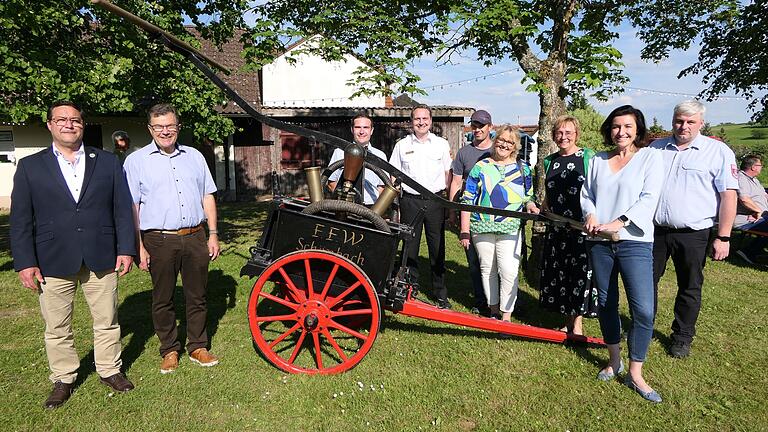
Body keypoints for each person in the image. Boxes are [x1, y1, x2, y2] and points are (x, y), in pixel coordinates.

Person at [10, 101, 136, 409]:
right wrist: (25, 261)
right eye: (61, 119)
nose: (69, 124)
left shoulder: (107, 162)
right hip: (52, 257)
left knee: (107, 319)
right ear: (50, 125)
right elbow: (21, 219)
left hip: (102, 253)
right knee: (57, 326)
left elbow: (122, 209)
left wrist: (126, 249)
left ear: (83, 124)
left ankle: (109, 369)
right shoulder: (31, 166)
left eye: (75, 120)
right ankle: (64, 378)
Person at [123, 103, 221, 374]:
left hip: (194, 236)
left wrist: (212, 234)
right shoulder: (136, 161)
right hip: (158, 239)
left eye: (170, 125)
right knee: (163, 298)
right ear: (150, 129)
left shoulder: (195, 157)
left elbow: (207, 196)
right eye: (159, 126)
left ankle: (198, 346)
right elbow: (132, 206)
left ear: (178, 127)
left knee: (197, 295)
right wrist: (138, 246)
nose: (165, 131)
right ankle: (169, 349)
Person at [581, 105, 664, 403]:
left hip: (635, 242)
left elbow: (649, 198)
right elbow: (587, 194)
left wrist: (620, 222)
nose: (621, 132)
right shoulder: (598, 160)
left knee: (643, 309)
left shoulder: (651, 158)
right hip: (599, 242)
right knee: (606, 302)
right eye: (616, 126)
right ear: (609, 129)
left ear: (637, 129)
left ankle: (636, 372)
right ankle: (614, 360)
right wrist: (590, 215)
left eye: (628, 126)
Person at [651, 100, 738, 359]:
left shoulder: (717, 152)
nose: (683, 126)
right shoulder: (656, 148)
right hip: (655, 231)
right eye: (679, 120)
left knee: (689, 286)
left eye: (690, 122)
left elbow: (729, 197)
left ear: (701, 123)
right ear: (673, 120)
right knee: (645, 283)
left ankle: (682, 336)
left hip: (694, 233)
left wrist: (723, 236)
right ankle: (642, 326)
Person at [459, 124, 539, 322]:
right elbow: (467, 199)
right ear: (496, 141)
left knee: (509, 270)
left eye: (510, 142)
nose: (504, 145)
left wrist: (531, 206)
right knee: (487, 268)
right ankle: (493, 310)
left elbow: (528, 196)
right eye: (501, 140)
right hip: (481, 226)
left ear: (515, 146)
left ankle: (507, 314)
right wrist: (464, 230)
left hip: (510, 227)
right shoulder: (481, 167)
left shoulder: (523, 169)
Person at [539, 115, 598, 335]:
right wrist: (544, 206)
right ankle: (567, 318)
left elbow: (595, 188)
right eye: (559, 133)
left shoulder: (588, 156)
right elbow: (550, 188)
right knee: (561, 272)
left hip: (580, 226)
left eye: (568, 133)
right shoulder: (550, 160)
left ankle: (578, 324)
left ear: (576, 134)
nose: (563, 137)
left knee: (579, 274)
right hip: (557, 226)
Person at [389, 105, 452, 309]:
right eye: (417, 119)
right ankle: (410, 287)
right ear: (411, 122)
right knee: (410, 247)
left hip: (435, 201)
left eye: (425, 118)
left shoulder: (441, 144)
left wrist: (448, 203)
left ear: (431, 121)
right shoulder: (401, 145)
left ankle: (440, 292)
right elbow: (393, 175)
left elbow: (447, 175)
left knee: (437, 247)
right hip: (411, 201)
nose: (421, 122)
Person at [448, 109, 494, 315]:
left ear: (489, 128)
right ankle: (480, 300)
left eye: (481, 126)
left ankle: (500, 301)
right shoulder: (464, 153)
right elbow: (456, 182)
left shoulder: (498, 150)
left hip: (494, 216)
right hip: (470, 215)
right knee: (474, 261)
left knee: (495, 261)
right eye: (474, 125)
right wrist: (452, 210)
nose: (477, 129)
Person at [327, 114, 386, 205]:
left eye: (366, 127)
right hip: (344, 206)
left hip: (371, 208)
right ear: (352, 130)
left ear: (372, 130)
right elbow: (331, 182)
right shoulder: (339, 152)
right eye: (358, 127)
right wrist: (343, 200)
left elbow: (382, 186)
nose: (362, 131)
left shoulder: (380, 155)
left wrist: (374, 207)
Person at [733, 154, 768, 264]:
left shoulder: (754, 180)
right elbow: (744, 199)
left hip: (762, 216)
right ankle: (748, 252)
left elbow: (764, 195)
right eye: (760, 165)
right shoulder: (741, 178)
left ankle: (755, 248)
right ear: (753, 167)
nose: (761, 167)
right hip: (746, 219)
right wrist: (758, 211)